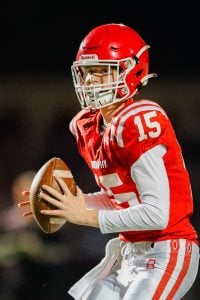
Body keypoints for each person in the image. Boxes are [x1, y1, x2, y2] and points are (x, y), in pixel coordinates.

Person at [19, 23, 199, 299]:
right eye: (88, 72)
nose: (92, 80)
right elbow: (121, 198)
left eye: (103, 71)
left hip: (166, 250)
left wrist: (87, 216)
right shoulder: (86, 126)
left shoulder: (137, 120)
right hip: (127, 253)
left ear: (132, 70)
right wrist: (72, 205)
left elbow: (156, 214)